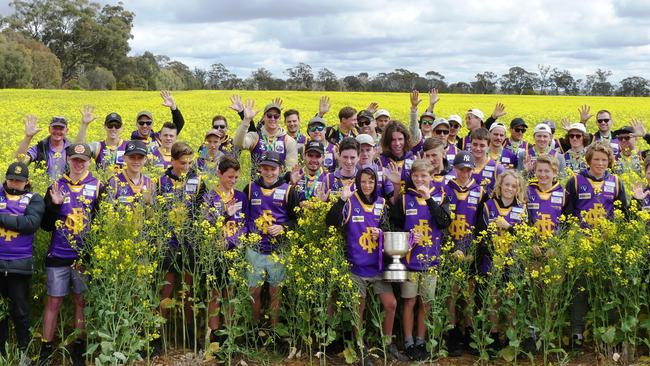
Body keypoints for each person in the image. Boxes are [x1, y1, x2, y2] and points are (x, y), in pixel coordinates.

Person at [325, 168, 406, 363]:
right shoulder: (351, 201)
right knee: (357, 308)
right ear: (358, 182)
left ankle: (386, 342)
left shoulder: (381, 203)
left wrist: (382, 233)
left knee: (391, 304)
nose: (367, 185)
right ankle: (360, 345)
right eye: (363, 182)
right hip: (356, 267)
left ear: (376, 183)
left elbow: (388, 229)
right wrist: (341, 200)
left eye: (371, 182)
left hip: (377, 267)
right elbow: (331, 222)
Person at [38, 143, 104, 366]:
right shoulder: (56, 186)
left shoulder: (98, 186)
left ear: (89, 161)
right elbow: (46, 226)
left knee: (80, 301)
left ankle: (78, 347)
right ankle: (45, 349)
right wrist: (54, 206)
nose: (78, 163)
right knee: (53, 301)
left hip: (82, 257)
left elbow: (101, 224)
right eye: (74, 159)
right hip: (57, 254)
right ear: (68, 160)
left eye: (83, 159)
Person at [564, 142, 628, 348]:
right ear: (589, 160)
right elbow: (567, 215)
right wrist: (574, 239)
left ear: (609, 161)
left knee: (608, 289)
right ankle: (577, 333)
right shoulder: (575, 181)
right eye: (596, 159)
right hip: (581, 244)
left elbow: (623, 215)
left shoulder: (617, 182)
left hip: (607, 246)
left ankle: (606, 334)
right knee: (579, 288)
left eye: (604, 159)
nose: (600, 163)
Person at [390, 159, 451, 361]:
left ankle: (421, 340)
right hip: (410, 261)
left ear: (432, 177)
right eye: (415, 175)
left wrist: (430, 199)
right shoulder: (405, 199)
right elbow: (395, 225)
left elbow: (444, 222)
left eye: (424, 176)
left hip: (431, 261)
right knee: (409, 301)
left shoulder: (441, 197)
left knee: (425, 303)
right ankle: (408, 341)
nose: (419, 179)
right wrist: (408, 237)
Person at [243, 151, 301, 350]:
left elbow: (297, 220)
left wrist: (284, 227)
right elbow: (243, 215)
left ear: (280, 170)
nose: (268, 172)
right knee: (254, 291)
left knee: (276, 292)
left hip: (278, 250)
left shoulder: (288, 190)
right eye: (265, 168)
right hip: (255, 250)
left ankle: (275, 332)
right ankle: (254, 330)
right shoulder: (250, 188)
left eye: (273, 169)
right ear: (259, 168)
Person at [157, 142, 205, 347]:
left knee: (188, 290)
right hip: (169, 243)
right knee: (165, 290)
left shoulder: (199, 181)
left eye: (189, 162)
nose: (186, 167)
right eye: (182, 163)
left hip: (189, 243)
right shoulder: (160, 182)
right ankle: (159, 335)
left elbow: (204, 209)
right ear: (173, 161)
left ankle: (189, 334)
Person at [475, 170, 527, 355]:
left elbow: (524, 236)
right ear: (500, 186)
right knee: (494, 298)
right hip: (492, 259)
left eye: (514, 186)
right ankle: (495, 336)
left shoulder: (521, 208)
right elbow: (481, 234)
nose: (510, 188)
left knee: (512, 299)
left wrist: (508, 227)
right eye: (507, 185)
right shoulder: (489, 206)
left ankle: (511, 339)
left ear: (518, 189)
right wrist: (493, 251)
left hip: (513, 260)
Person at [201, 156, 248, 345]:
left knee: (230, 292)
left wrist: (238, 239)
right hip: (215, 250)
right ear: (219, 174)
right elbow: (205, 222)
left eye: (236, 177)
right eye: (230, 177)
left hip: (234, 250)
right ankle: (214, 332)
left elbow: (244, 223)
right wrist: (223, 213)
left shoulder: (241, 196)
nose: (233, 181)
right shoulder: (210, 196)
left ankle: (229, 332)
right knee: (215, 292)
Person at [443, 151, 486, 357]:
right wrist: (451, 248)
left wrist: (470, 249)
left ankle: (469, 331)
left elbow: (480, 224)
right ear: (454, 168)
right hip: (449, 248)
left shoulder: (479, 191)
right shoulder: (445, 188)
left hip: (469, 249)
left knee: (468, 293)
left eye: (468, 169)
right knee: (451, 292)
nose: (464, 173)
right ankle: (451, 333)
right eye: (461, 169)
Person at [0, 162, 45, 359]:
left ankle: (23, 352)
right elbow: (21, 222)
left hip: (20, 265)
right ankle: (2, 353)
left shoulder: (34, 199)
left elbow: (30, 224)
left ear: (27, 182)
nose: (14, 183)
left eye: (19, 181)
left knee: (20, 311)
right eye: (11, 179)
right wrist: (13, 219)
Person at [234, 99, 298, 179]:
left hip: (279, 187)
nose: (273, 118)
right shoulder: (255, 137)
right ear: (264, 117)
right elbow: (238, 143)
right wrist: (246, 120)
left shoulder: (288, 140)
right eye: (269, 115)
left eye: (276, 116)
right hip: (257, 186)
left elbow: (291, 169)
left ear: (280, 119)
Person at [15, 114, 74, 180]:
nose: (57, 131)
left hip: (66, 188)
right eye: (55, 128)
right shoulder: (40, 147)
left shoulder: (71, 148)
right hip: (43, 188)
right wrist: (28, 137)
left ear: (66, 130)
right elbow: (20, 160)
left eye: (61, 129)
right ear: (49, 129)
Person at [527, 155, 569, 236]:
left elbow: (567, 224)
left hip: (556, 244)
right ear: (535, 171)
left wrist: (557, 246)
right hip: (531, 243)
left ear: (555, 173)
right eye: (539, 170)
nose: (543, 174)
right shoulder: (527, 191)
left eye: (547, 171)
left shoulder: (563, 194)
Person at [107, 140, 154, 205]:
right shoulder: (114, 182)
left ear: (145, 159)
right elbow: (107, 212)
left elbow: (154, 213)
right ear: (124, 158)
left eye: (140, 158)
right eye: (132, 157)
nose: (136, 161)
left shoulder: (149, 183)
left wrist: (148, 202)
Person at [379, 121, 415, 194]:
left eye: (400, 139)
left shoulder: (413, 159)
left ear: (405, 139)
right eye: (393, 140)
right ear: (387, 141)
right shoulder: (380, 161)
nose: (397, 143)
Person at [469, 128, 505, 197]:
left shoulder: (497, 169)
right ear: (470, 144)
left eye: (482, 145)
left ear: (488, 146)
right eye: (475, 144)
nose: (478, 148)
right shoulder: (463, 164)